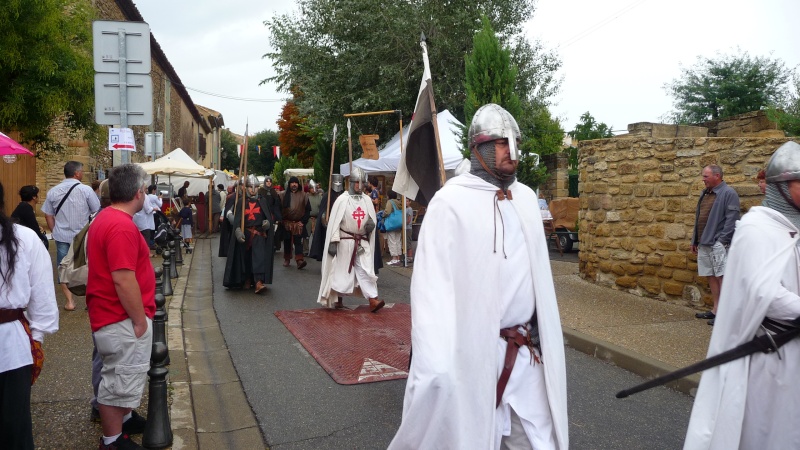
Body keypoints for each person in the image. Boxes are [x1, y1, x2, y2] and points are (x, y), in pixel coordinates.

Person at [389, 104, 568, 449]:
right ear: (479, 148)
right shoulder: (449, 204)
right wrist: (436, 364)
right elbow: (432, 292)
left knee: (537, 442)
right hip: (473, 357)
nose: (510, 150)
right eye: (500, 142)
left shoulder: (527, 199)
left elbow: (538, 284)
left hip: (525, 356)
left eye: (513, 142)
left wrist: (543, 334)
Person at [683, 141, 800, 449]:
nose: (704, 179)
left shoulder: (792, 229)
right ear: (782, 186)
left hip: (794, 350)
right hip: (767, 353)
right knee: (762, 427)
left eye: (707, 175)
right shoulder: (756, 229)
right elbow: (764, 292)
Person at [86, 164, 154, 450]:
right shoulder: (120, 225)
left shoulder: (107, 218)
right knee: (117, 379)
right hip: (120, 318)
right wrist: (139, 321)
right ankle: (112, 440)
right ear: (138, 193)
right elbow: (123, 279)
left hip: (112, 315)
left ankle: (124, 422)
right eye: (147, 190)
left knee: (122, 376)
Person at [0, 181, 59, 450]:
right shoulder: (24, 237)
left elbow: (42, 294)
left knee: (14, 426)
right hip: (12, 346)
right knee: (14, 427)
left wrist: (35, 337)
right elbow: (43, 294)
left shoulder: (21, 238)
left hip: (11, 346)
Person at [317, 167, 384, 312]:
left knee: (366, 269)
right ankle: (338, 299)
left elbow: (371, 218)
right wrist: (334, 241)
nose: (360, 186)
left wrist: (371, 224)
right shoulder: (342, 200)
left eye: (362, 183)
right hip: (345, 241)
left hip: (362, 242)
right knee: (341, 272)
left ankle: (373, 299)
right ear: (351, 183)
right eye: (357, 183)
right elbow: (335, 223)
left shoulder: (367, 200)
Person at [41, 161, 101, 312]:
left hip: (62, 236)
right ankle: (90, 301)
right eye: (81, 171)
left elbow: (48, 214)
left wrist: (55, 231)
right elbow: (96, 210)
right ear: (77, 173)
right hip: (82, 237)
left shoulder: (53, 191)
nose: (82, 174)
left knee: (63, 267)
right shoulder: (86, 190)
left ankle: (70, 301)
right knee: (88, 266)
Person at [691, 164, 740, 326]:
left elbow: (732, 219)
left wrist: (722, 241)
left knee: (722, 277)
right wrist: (695, 240)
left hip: (718, 243)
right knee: (711, 275)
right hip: (704, 243)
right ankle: (716, 309)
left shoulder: (728, 193)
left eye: (706, 176)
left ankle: (726, 314)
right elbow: (699, 218)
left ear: (717, 176)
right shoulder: (705, 193)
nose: (703, 179)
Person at [223, 175, 279, 293]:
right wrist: (237, 230)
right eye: (250, 187)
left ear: (258, 188)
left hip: (259, 233)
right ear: (246, 188)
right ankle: (247, 279)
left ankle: (258, 282)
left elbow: (268, 216)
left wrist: (267, 223)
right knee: (245, 258)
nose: (253, 189)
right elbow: (237, 219)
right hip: (246, 233)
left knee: (259, 257)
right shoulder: (241, 202)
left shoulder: (262, 201)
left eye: (255, 187)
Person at [309, 174, 344, 261]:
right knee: (328, 246)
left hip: (341, 224)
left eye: (340, 182)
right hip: (329, 225)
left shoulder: (344, 196)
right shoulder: (327, 195)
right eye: (336, 182)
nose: (338, 184)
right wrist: (325, 220)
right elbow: (323, 211)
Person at [279, 176, 311, 269]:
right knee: (287, 241)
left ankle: (299, 260)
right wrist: (281, 220)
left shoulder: (304, 195)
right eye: (292, 183)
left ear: (298, 184)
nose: (294, 184)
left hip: (298, 224)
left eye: (296, 183)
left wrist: (303, 221)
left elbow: (308, 210)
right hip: (287, 223)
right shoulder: (283, 195)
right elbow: (278, 208)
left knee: (298, 242)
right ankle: (287, 258)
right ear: (289, 184)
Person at [132, 185, 162, 251]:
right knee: (146, 237)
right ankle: (147, 252)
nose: (147, 190)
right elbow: (147, 208)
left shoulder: (134, 195)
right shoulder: (144, 196)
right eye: (146, 188)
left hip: (136, 218)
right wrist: (153, 208)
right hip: (144, 220)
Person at [384, 190, 403, 266]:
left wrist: (383, 214)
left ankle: (394, 259)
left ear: (389, 196)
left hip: (392, 224)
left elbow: (387, 212)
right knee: (398, 240)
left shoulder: (390, 202)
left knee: (392, 241)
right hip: (398, 224)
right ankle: (398, 258)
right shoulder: (399, 202)